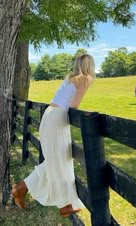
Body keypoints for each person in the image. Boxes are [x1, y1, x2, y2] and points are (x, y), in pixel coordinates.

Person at [11, 54, 96, 218]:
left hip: (49, 115)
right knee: (60, 159)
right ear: (89, 66)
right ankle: (63, 203)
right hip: (57, 118)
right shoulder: (86, 78)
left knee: (55, 160)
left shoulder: (70, 78)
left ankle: (23, 189)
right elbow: (74, 105)